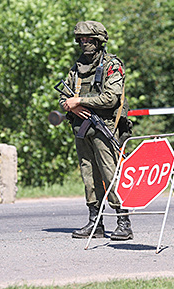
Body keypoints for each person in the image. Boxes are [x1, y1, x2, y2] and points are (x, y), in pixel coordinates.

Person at [59, 21, 133, 240]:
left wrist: (79, 101)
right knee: (88, 174)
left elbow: (111, 98)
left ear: (99, 40)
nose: (85, 43)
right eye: (81, 39)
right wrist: (70, 105)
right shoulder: (77, 68)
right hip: (82, 129)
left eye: (89, 39)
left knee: (110, 174)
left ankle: (124, 221)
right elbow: (64, 96)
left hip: (104, 127)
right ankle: (95, 222)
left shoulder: (112, 65)